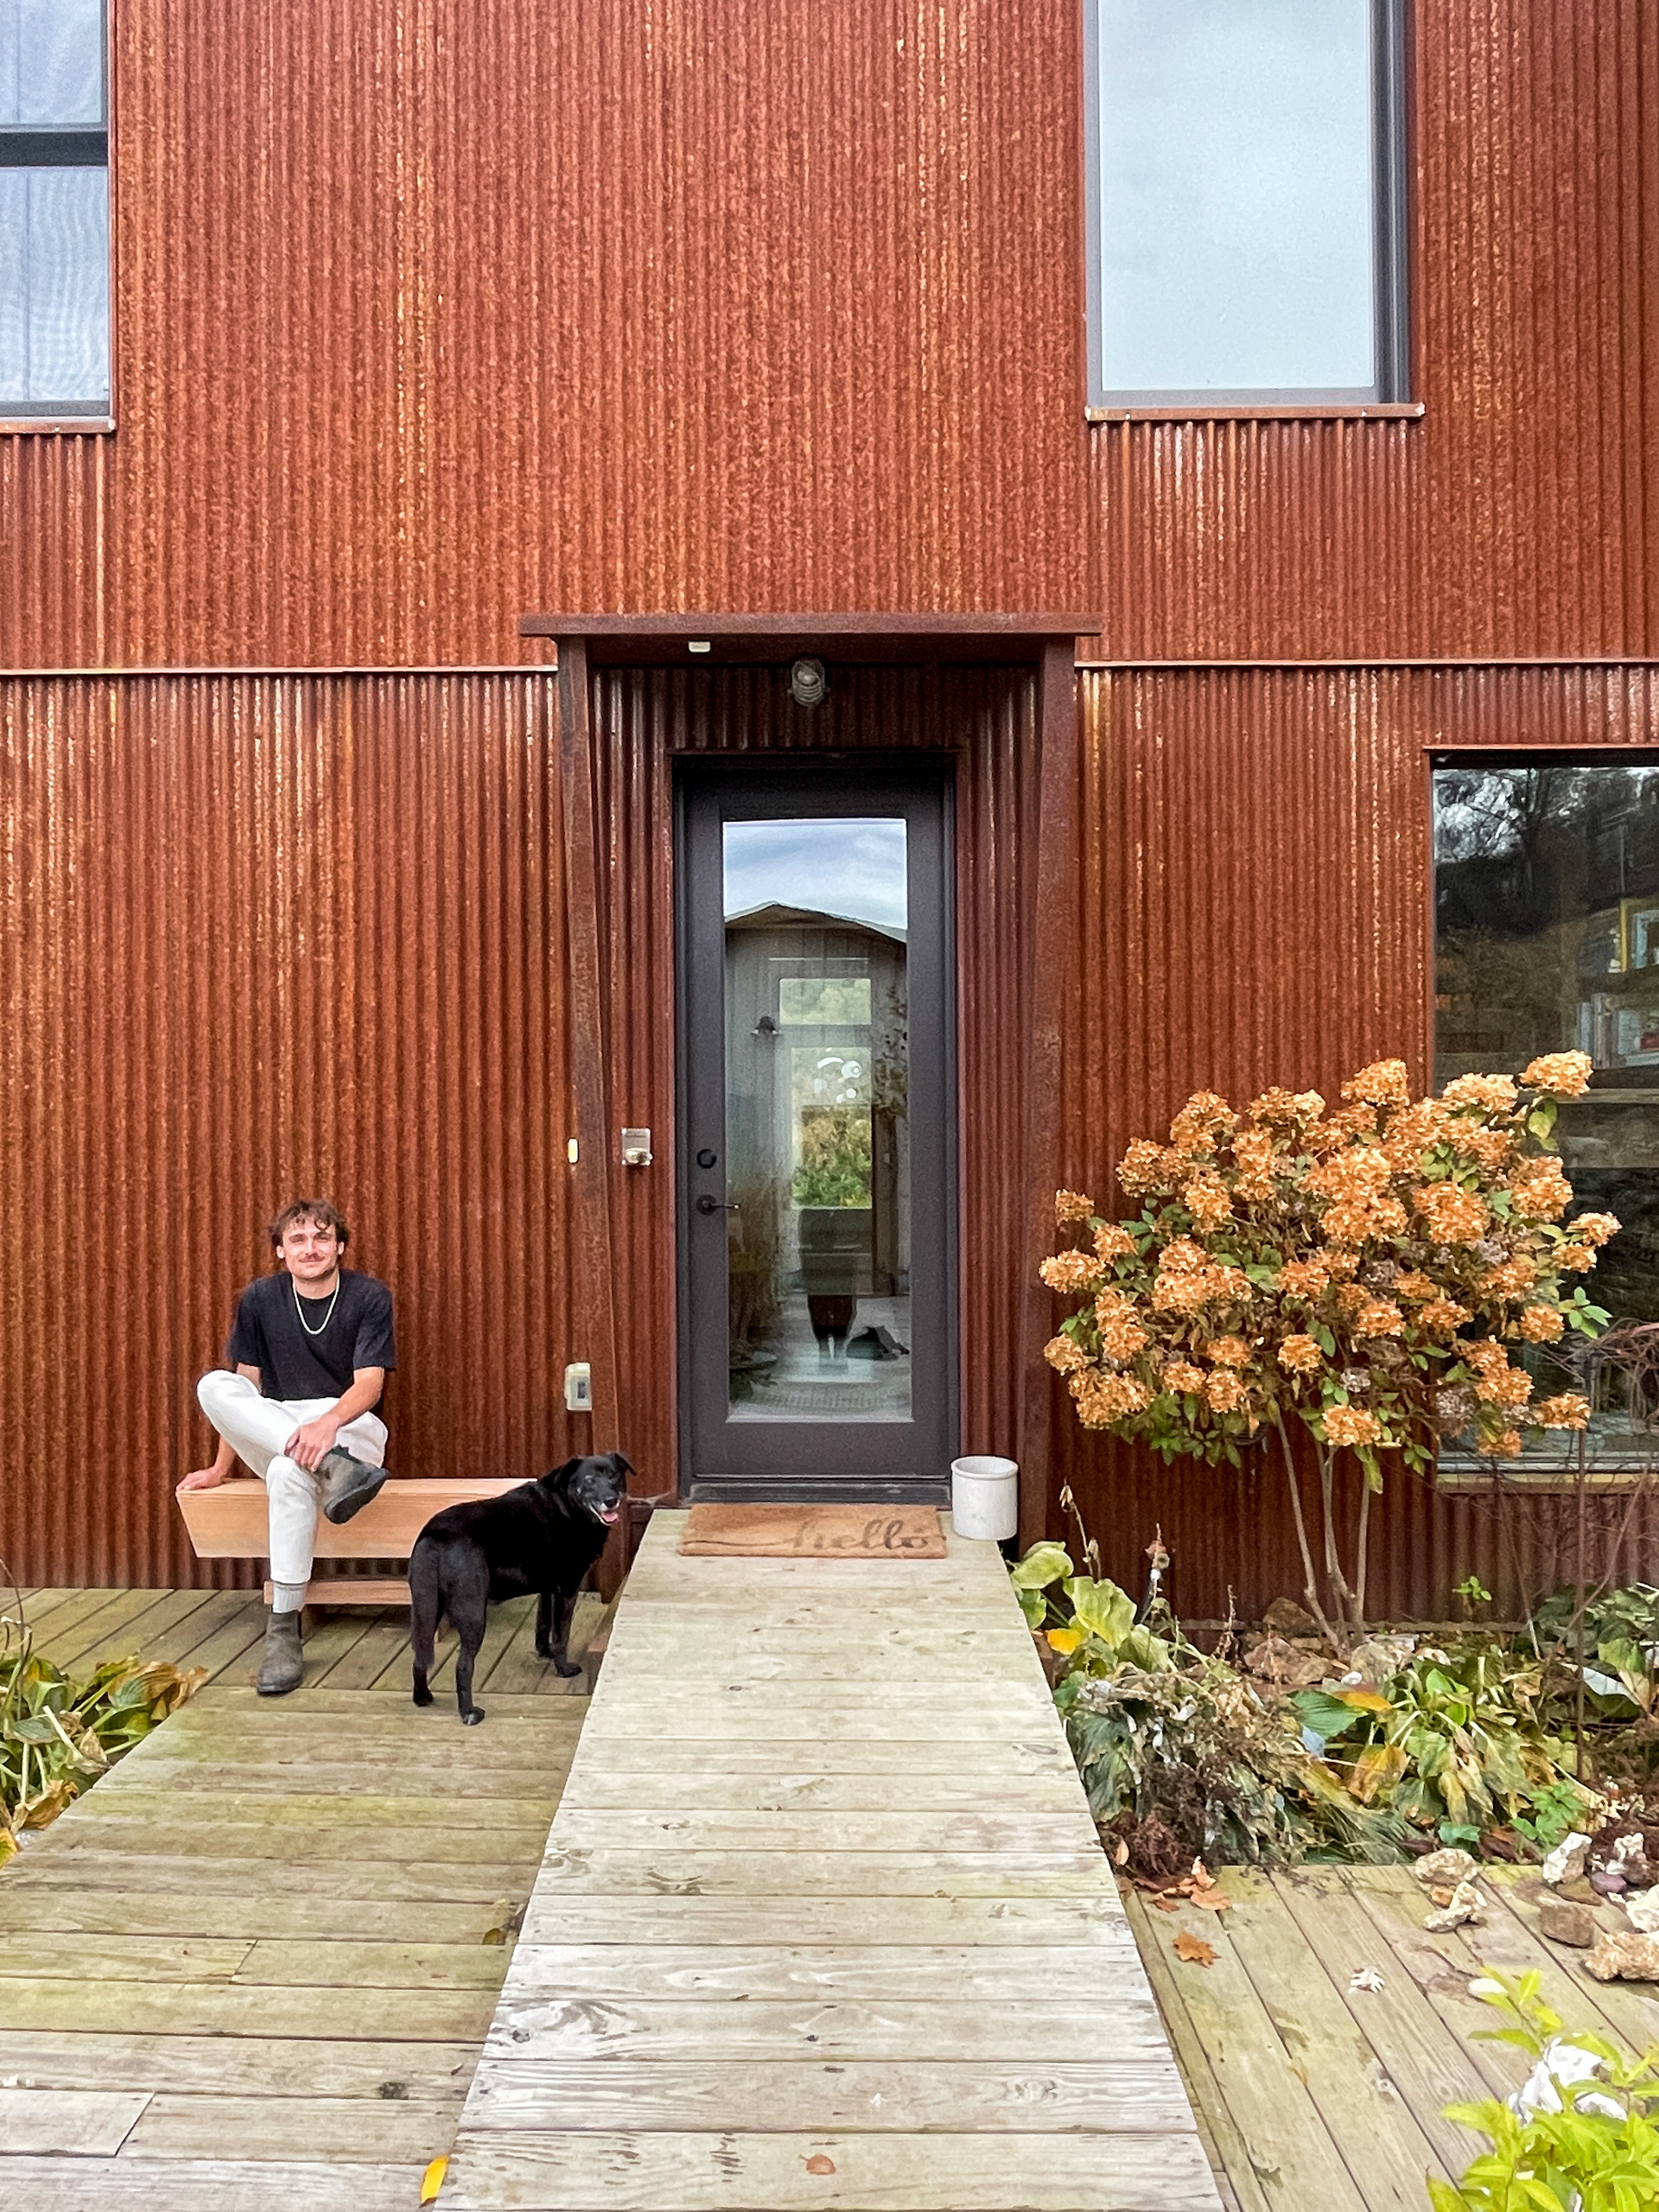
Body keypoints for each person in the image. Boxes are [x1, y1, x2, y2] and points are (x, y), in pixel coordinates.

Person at [180, 1198, 397, 1695]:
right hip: (279, 1424)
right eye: (297, 1239)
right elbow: (246, 1391)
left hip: (351, 1427)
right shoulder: (260, 1299)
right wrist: (220, 1468)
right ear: (281, 1250)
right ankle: (329, 1469)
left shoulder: (368, 1296)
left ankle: (282, 1629)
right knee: (215, 1386)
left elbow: (370, 1385)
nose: (310, 1248)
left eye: (322, 1237)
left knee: (286, 1470)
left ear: (339, 1246)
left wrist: (328, 1425)